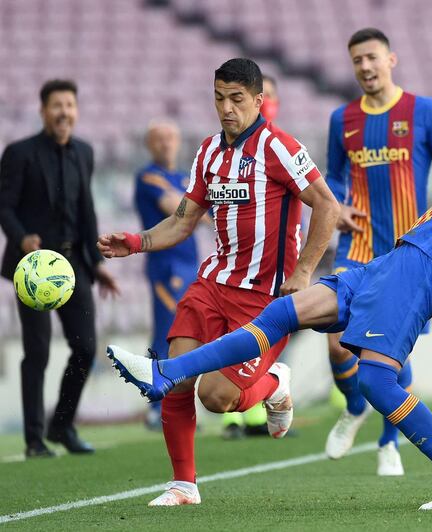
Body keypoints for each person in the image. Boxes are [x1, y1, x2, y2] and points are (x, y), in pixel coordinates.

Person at [107, 85, 432, 510]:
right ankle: (166, 373)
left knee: (377, 381)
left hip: (424, 270)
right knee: (286, 311)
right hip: (394, 261)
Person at [98, 58, 340, 506]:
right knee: (176, 377)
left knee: (217, 399)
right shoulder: (209, 151)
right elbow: (182, 222)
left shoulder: (278, 147)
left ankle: (274, 384)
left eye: (237, 99)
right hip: (211, 284)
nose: (226, 108)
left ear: (258, 100)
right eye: (219, 98)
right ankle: (183, 484)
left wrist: (303, 272)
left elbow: (326, 205)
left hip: (263, 299)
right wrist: (133, 242)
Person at [324, 27, 432, 475]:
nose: (365, 67)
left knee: (389, 356)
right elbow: (331, 179)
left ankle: (390, 442)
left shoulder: (423, 111)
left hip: (408, 252)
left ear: (391, 59)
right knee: (335, 343)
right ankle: (355, 407)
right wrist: (337, 208)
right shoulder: (341, 119)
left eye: (371, 57)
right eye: (357, 61)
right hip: (358, 245)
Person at [0, 79, 119, 458]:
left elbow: (87, 211)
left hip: (74, 266)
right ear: (43, 111)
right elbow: (4, 206)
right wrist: (22, 239)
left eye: (69, 105)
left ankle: (62, 426)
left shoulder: (84, 152)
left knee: (85, 347)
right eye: (56, 105)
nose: (64, 112)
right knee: (37, 352)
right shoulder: (19, 153)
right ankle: (35, 439)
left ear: (76, 111)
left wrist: (97, 263)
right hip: (33, 269)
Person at [221, 72, 283, 440]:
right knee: (230, 345)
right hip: (230, 272)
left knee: (257, 343)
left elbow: (316, 203)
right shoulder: (222, 151)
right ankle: (233, 419)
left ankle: (259, 409)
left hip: (272, 274)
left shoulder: (282, 148)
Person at [134, 119, 200, 431]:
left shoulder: (184, 177)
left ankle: (177, 404)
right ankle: (157, 406)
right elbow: (178, 208)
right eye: (158, 138)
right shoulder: (149, 176)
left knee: (186, 335)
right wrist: (206, 203)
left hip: (190, 264)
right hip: (166, 266)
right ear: (149, 144)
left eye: (170, 137)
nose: (166, 143)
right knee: (167, 332)